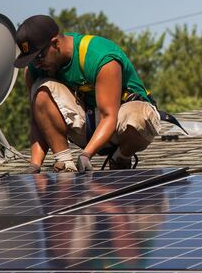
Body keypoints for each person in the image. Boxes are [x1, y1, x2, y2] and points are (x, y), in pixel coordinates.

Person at [13, 15, 160, 173]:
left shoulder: (99, 56)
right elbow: (38, 119)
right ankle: (64, 164)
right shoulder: (35, 69)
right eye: (32, 59)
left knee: (139, 118)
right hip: (86, 125)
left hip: (121, 124)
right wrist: (34, 165)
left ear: (55, 44)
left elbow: (109, 116)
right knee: (41, 92)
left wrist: (85, 155)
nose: (37, 64)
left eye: (39, 57)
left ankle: (120, 157)